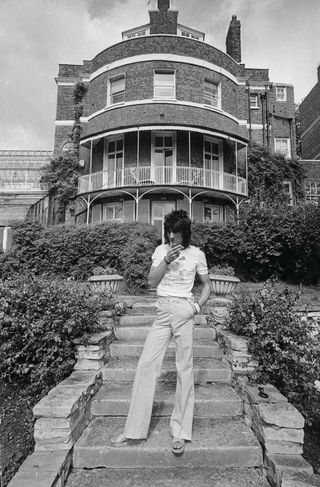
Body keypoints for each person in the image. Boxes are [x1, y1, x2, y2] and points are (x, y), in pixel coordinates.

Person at [111, 209, 211, 454]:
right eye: (169, 232)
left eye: (176, 233)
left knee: (184, 370)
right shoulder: (160, 251)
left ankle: (180, 432)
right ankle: (133, 430)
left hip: (184, 312)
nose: (172, 237)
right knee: (146, 365)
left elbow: (207, 286)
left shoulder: (197, 254)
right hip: (162, 312)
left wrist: (196, 307)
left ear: (185, 233)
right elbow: (151, 282)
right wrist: (166, 260)